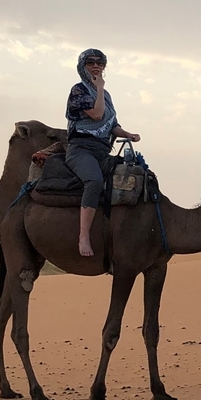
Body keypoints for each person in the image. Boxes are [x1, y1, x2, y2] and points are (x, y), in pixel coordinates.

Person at [64, 49, 140, 257]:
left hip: (102, 149)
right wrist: (98, 88)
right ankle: (84, 237)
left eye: (101, 62)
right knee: (95, 181)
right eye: (91, 62)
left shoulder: (106, 96)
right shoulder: (79, 91)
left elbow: (111, 125)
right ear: (82, 66)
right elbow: (97, 115)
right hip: (81, 149)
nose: (96, 66)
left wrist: (128, 134)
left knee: (134, 176)